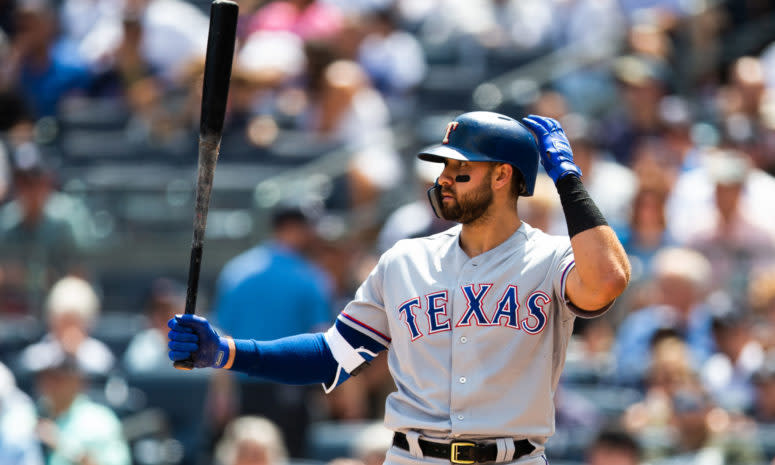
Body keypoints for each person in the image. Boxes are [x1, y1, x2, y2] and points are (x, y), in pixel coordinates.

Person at [168, 111, 630, 464]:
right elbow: (331, 356)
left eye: (459, 169)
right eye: (443, 168)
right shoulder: (405, 260)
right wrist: (227, 352)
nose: (443, 179)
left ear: (503, 174)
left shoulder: (550, 259)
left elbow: (608, 280)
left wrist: (567, 178)